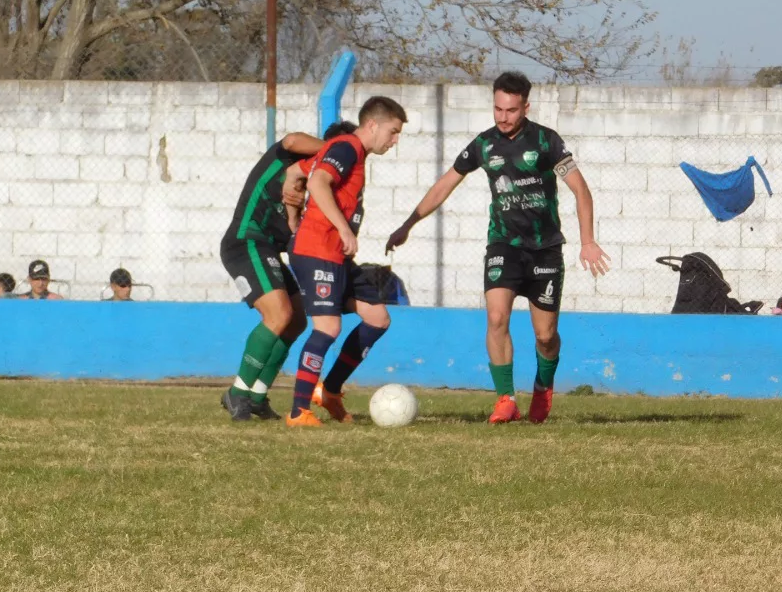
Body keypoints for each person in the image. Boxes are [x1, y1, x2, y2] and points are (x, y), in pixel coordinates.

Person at [385, 71, 610, 424]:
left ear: (526, 108)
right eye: (498, 109)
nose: (503, 117)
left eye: (511, 110)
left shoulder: (547, 141)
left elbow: (581, 190)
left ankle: (543, 387)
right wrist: (408, 224)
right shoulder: (483, 144)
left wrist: (588, 241)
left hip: (545, 249)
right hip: (504, 245)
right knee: (496, 317)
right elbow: (445, 184)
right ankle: (506, 399)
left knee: (545, 336)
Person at [286, 98, 407, 428]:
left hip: (335, 254)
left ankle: (330, 391)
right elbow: (317, 182)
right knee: (328, 327)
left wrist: (293, 210)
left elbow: (296, 172)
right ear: (373, 125)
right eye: (393, 132)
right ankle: (298, 411)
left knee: (377, 318)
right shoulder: (347, 147)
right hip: (318, 250)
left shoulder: (354, 153)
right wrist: (341, 227)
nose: (395, 140)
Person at [218, 121, 352, 422]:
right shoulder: (293, 156)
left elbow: (295, 233)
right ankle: (237, 392)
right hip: (245, 241)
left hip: (266, 250)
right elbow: (291, 140)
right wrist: (336, 151)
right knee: (278, 314)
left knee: (296, 321)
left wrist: (298, 215)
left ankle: (256, 397)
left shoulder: (315, 183)